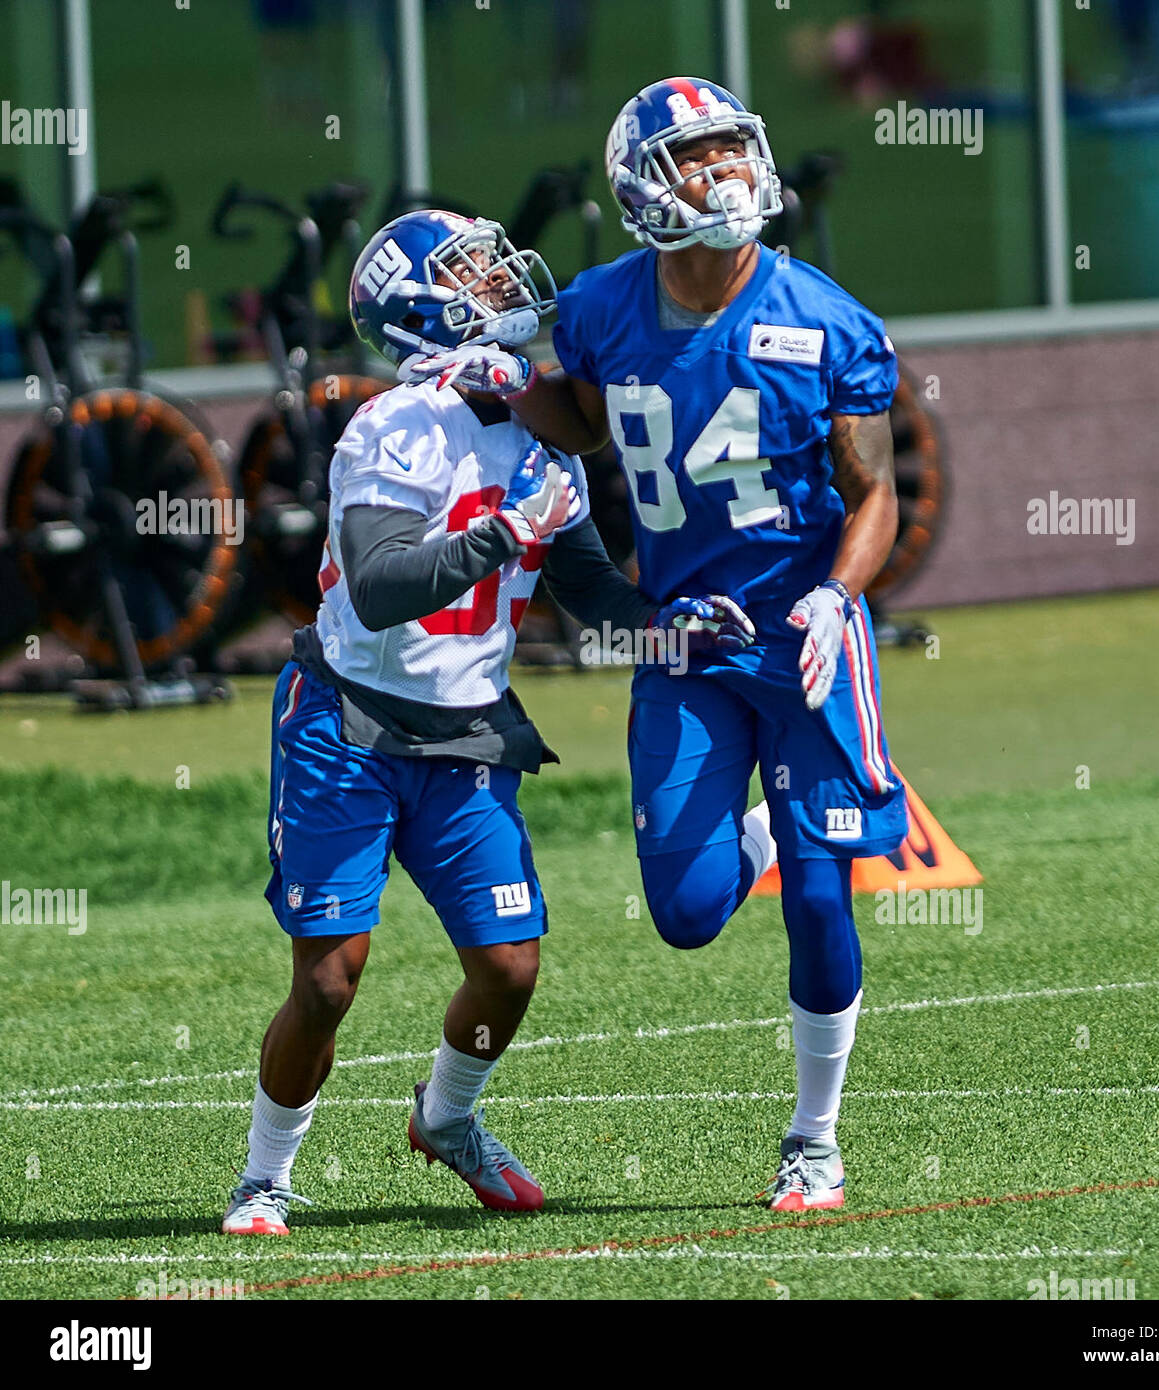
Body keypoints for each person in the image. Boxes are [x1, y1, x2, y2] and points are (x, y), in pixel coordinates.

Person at [414, 79, 908, 1211]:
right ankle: (759, 829)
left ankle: (812, 1139)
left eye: (734, 148)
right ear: (644, 185)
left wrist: (838, 593)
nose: (724, 172)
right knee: (684, 914)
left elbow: (872, 489)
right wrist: (491, 390)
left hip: (801, 635)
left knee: (821, 896)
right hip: (679, 641)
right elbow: (583, 421)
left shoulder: (828, 319)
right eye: (696, 155)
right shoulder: (596, 308)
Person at [222, 208, 753, 1235]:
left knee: (509, 966)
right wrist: (506, 530)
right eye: (472, 270)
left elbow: (592, 589)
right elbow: (378, 587)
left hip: (465, 731)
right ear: (419, 305)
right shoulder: (395, 425)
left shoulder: (536, 431)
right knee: (330, 979)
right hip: (351, 722)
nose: (503, 282)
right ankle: (264, 1175)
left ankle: (447, 1120)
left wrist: (681, 628)